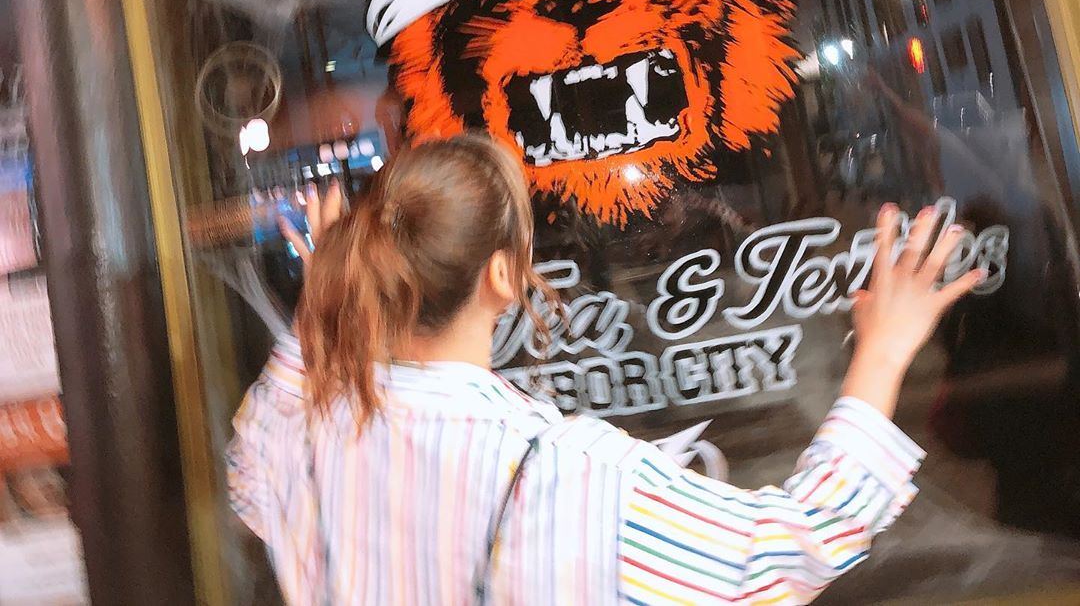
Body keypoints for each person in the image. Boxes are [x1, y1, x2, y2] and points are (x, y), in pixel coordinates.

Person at [227, 133, 985, 604]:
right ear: (503, 277)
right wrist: (884, 348)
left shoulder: (295, 430)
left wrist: (322, 314)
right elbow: (790, 547)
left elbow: (251, 479)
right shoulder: (570, 480)